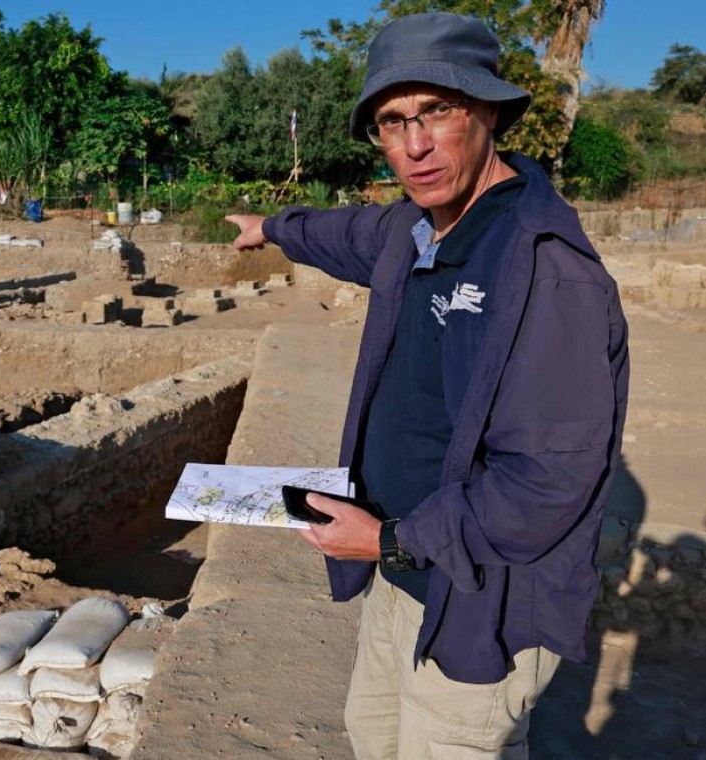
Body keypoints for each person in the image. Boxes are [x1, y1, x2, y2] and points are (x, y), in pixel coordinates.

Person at [226, 12, 629, 759]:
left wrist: (389, 541)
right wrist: (274, 227)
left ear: (486, 113)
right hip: (397, 571)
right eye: (390, 121)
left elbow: (546, 483)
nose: (413, 145)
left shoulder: (542, 269)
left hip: (474, 590)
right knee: (371, 738)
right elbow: (343, 233)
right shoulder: (413, 229)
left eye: (436, 111)